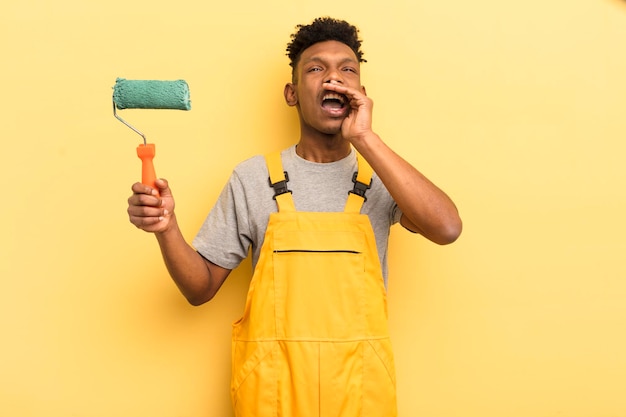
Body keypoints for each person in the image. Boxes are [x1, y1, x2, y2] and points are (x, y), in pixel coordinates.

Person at [127, 17, 462, 417]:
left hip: (359, 389)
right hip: (272, 392)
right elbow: (199, 289)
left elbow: (447, 228)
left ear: (361, 93)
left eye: (347, 69)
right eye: (316, 68)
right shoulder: (252, 178)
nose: (334, 78)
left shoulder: (383, 177)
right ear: (292, 93)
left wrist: (366, 139)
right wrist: (167, 228)